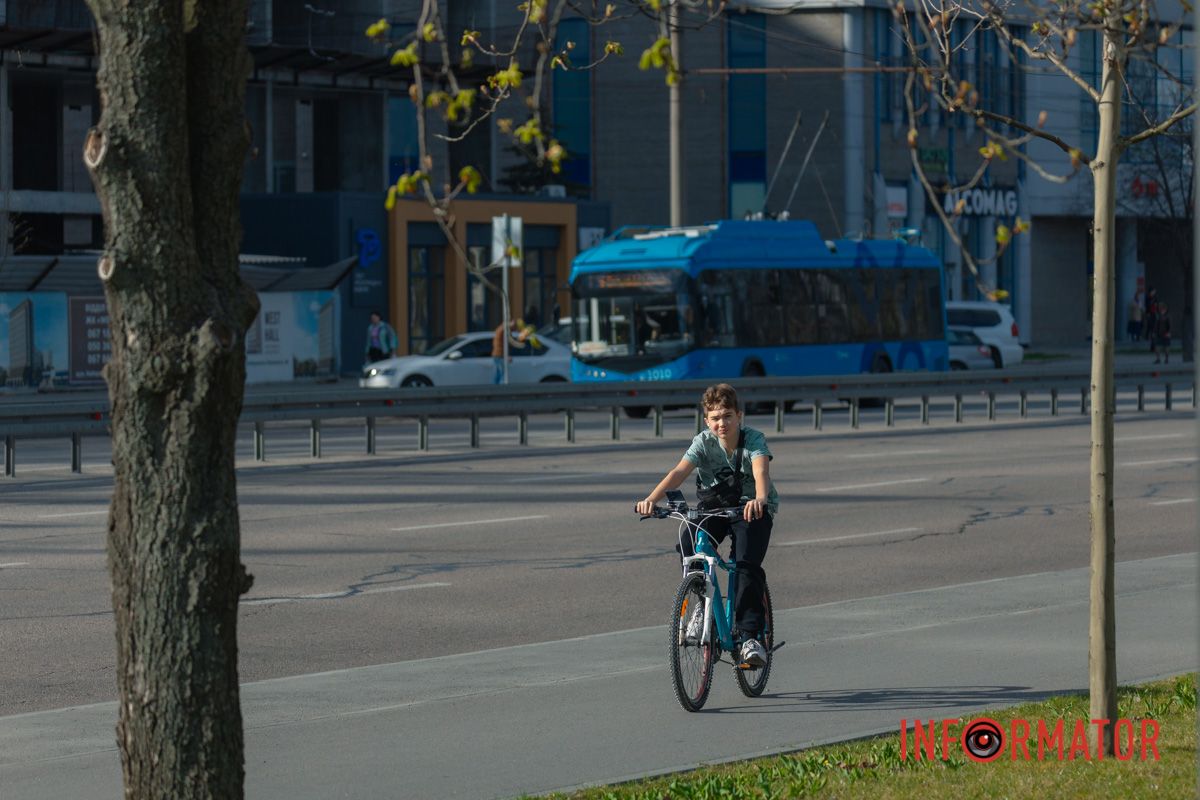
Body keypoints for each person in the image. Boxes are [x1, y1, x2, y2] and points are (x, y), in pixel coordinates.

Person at [635, 383, 779, 667]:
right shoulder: (702, 442)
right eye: (715, 418)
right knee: (690, 541)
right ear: (706, 421)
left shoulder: (753, 440)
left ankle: (750, 636)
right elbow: (679, 472)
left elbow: (760, 469)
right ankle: (701, 605)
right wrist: (651, 499)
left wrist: (760, 499)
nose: (721, 423)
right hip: (715, 508)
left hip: (751, 508)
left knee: (745, 564)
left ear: (739, 415)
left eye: (727, 416)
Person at [491, 318, 528, 384]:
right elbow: (510, 342)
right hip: (500, 355)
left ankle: (494, 390)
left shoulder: (501, 329)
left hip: (497, 355)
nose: (514, 327)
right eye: (514, 325)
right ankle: (501, 391)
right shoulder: (503, 330)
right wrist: (506, 356)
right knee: (502, 375)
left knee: (498, 375)